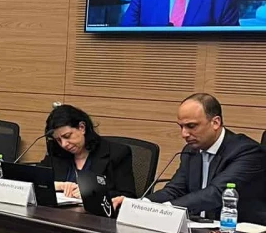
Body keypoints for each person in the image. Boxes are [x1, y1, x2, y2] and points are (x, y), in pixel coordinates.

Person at [112, 94, 266, 223]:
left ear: (215, 122)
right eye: (181, 127)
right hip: (200, 230)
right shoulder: (191, 150)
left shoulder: (247, 151)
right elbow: (174, 189)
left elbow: (216, 193)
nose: (184, 134)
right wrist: (139, 205)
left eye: (191, 126)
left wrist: (163, 210)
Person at [40, 104, 135, 200]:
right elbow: (36, 181)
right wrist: (58, 185)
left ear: (82, 127)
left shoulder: (117, 153)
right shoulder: (57, 152)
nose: (64, 144)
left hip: (96, 214)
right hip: (56, 213)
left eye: (67, 136)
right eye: (58, 140)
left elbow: (128, 197)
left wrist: (91, 193)